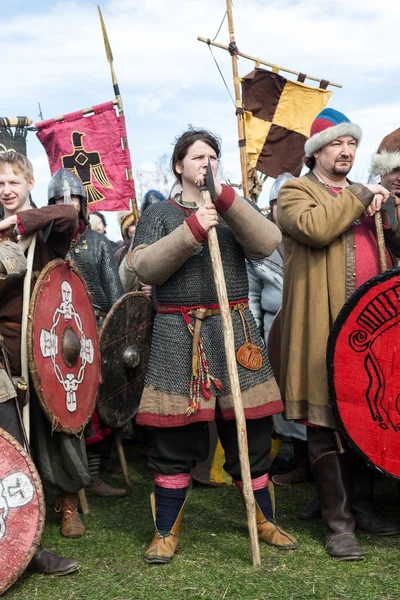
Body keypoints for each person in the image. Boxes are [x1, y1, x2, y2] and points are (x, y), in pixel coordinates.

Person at [131, 128, 297, 564]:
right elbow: (144, 266)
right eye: (197, 156)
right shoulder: (158, 214)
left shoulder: (232, 207)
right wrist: (190, 231)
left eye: (212, 156)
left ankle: (263, 520)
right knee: (174, 439)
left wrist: (223, 202)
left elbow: (267, 242)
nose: (206, 163)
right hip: (179, 335)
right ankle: (166, 530)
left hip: (235, 329)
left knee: (254, 434)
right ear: (178, 165)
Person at [277, 108, 400, 561]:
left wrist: (389, 213)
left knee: (367, 414)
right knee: (325, 422)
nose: (346, 151)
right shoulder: (295, 192)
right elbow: (316, 227)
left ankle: (364, 507)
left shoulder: (366, 195)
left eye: (351, 144)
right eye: (336, 144)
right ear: (316, 151)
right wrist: (362, 195)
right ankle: (339, 523)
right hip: (321, 328)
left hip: (371, 329)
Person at [0, 151, 84, 573]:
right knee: (12, 447)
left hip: (47, 350)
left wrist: (17, 223)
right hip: (5, 350)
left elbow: (69, 214)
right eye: (0, 183)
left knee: (57, 432)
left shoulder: (45, 229)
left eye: (14, 181)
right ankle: (18, 534)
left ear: (29, 183)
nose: (6, 189)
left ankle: (67, 505)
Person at [48, 168, 126, 499]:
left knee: (99, 407)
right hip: (57, 338)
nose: (67, 205)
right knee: (66, 408)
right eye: (60, 201)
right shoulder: (46, 243)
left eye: (73, 199)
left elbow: (116, 296)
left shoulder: (98, 245)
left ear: (83, 203)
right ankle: (69, 479)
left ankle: (93, 475)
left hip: (94, 334)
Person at [247, 174, 310, 487]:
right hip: (275, 328)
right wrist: (255, 338)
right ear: (270, 207)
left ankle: (321, 461)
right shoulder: (260, 245)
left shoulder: (311, 235)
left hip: (311, 324)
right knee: (284, 395)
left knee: (313, 393)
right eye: (277, 203)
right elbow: (252, 295)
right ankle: (302, 461)